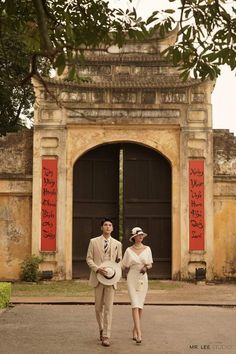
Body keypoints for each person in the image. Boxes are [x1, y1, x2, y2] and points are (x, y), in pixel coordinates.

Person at [86, 218, 122, 347]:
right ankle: (101, 328)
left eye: (110, 225)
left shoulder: (118, 244)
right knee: (98, 308)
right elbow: (89, 258)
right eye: (105, 225)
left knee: (109, 308)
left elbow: (120, 261)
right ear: (102, 228)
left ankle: (106, 335)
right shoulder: (93, 242)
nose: (108, 227)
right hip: (97, 278)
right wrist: (97, 269)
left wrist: (116, 268)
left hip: (111, 279)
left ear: (112, 228)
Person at [122, 226, 153, 344]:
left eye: (142, 235)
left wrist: (146, 267)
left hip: (143, 278)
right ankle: (139, 333)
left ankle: (135, 330)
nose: (141, 236)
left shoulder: (148, 249)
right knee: (135, 304)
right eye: (139, 235)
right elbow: (124, 265)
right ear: (134, 237)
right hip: (132, 277)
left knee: (140, 305)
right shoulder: (128, 250)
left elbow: (150, 264)